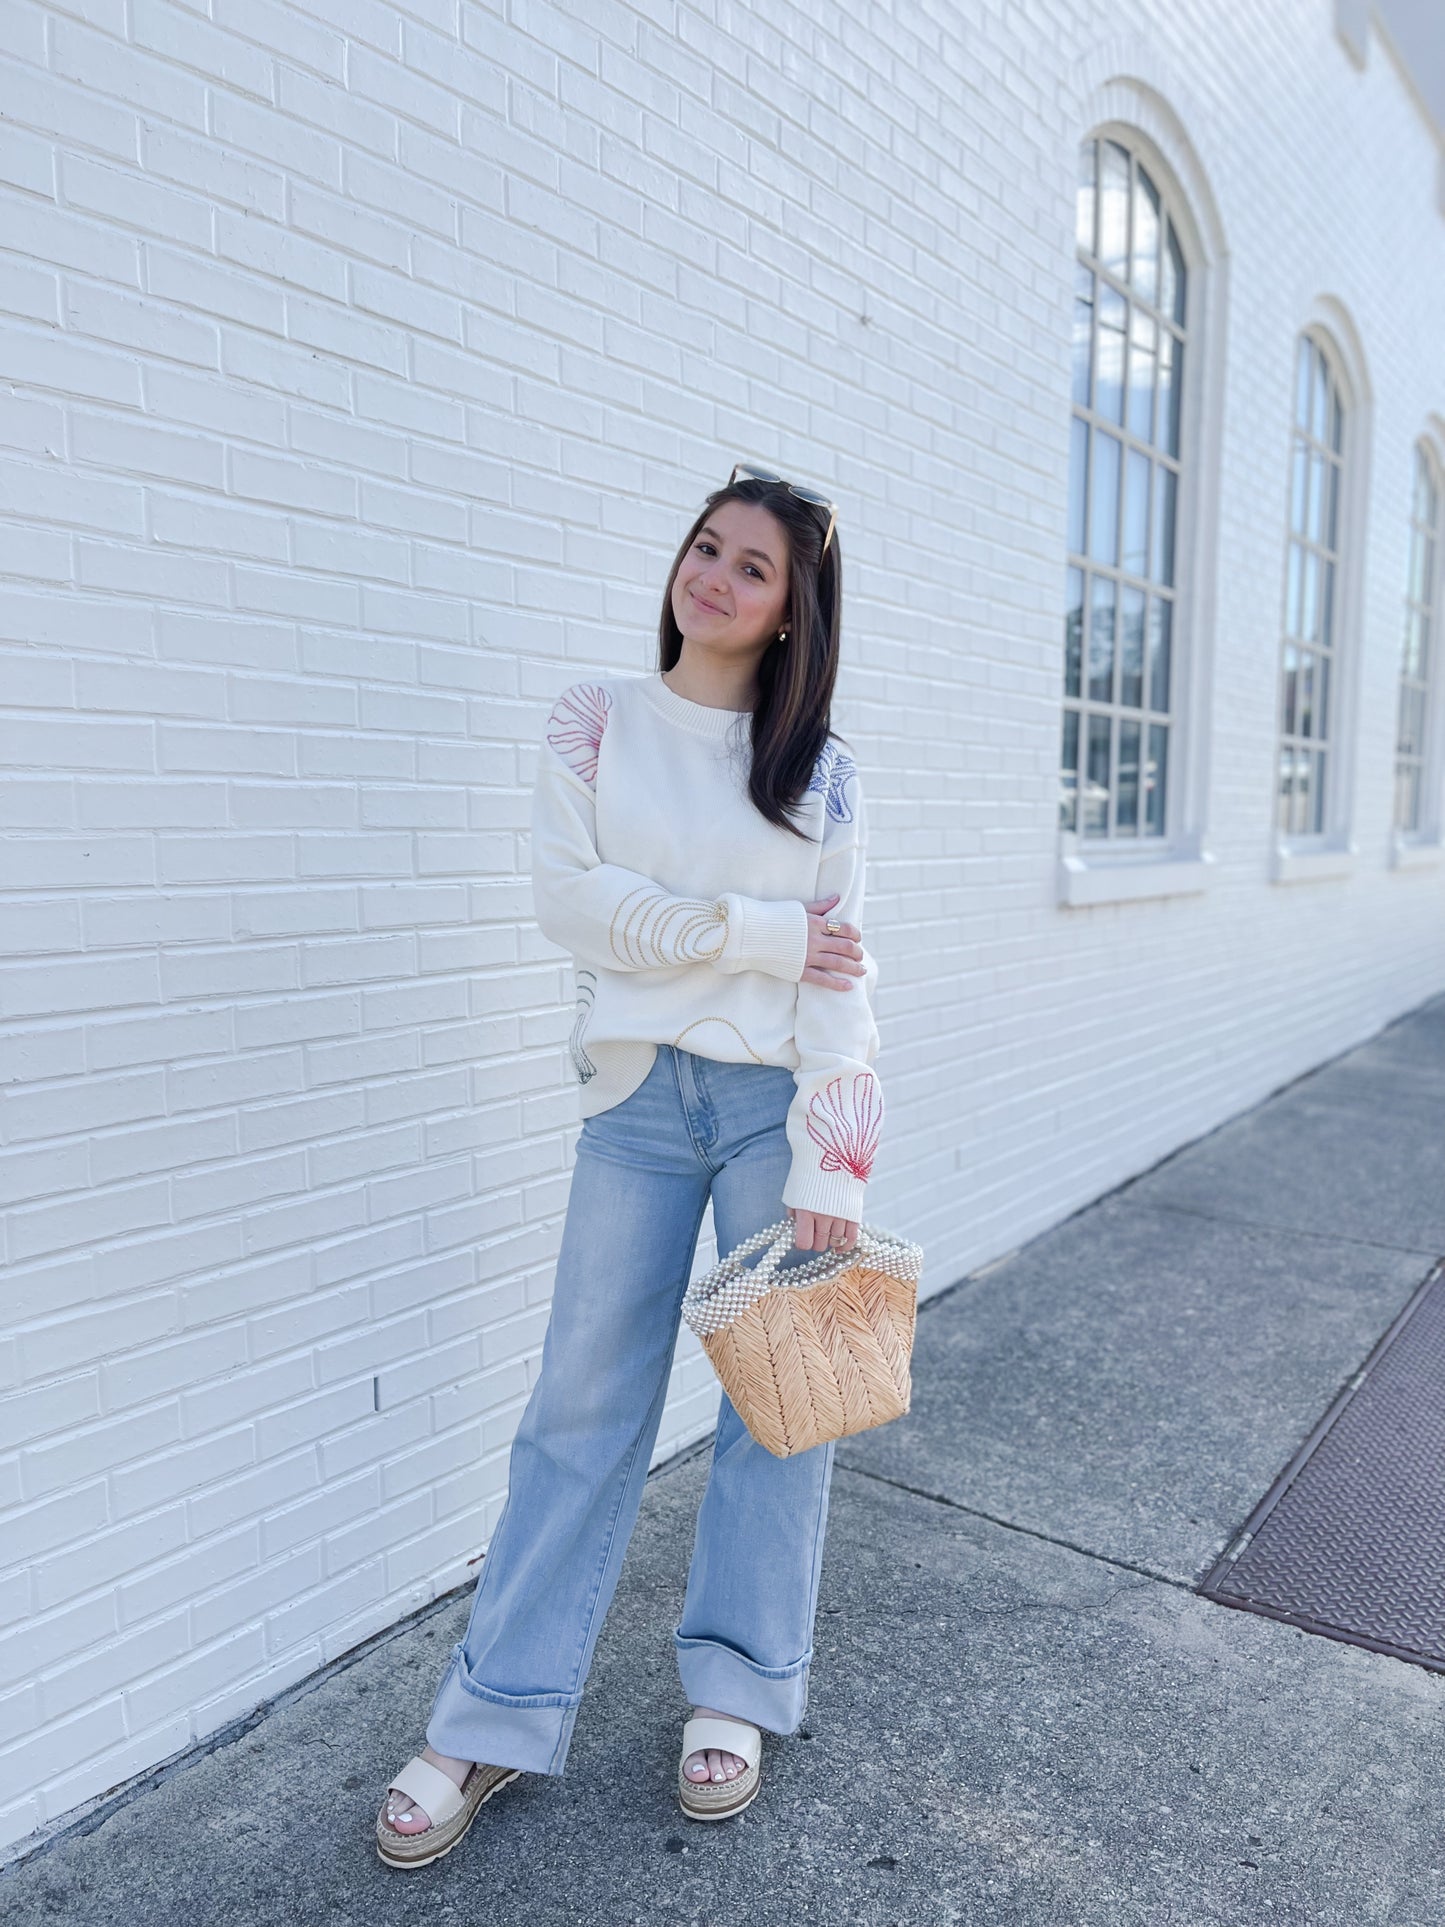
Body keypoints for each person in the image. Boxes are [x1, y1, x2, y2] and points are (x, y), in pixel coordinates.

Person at [375, 461, 884, 1867]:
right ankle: (492, 1716)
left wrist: (834, 1169)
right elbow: (574, 906)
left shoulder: (823, 773)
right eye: (703, 549)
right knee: (578, 1409)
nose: (711, 579)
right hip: (639, 1101)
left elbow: (847, 986)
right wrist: (759, 936)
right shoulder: (594, 721)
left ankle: (737, 1691)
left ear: (791, 612)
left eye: (750, 568)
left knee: (784, 1407)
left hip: (779, 1108)